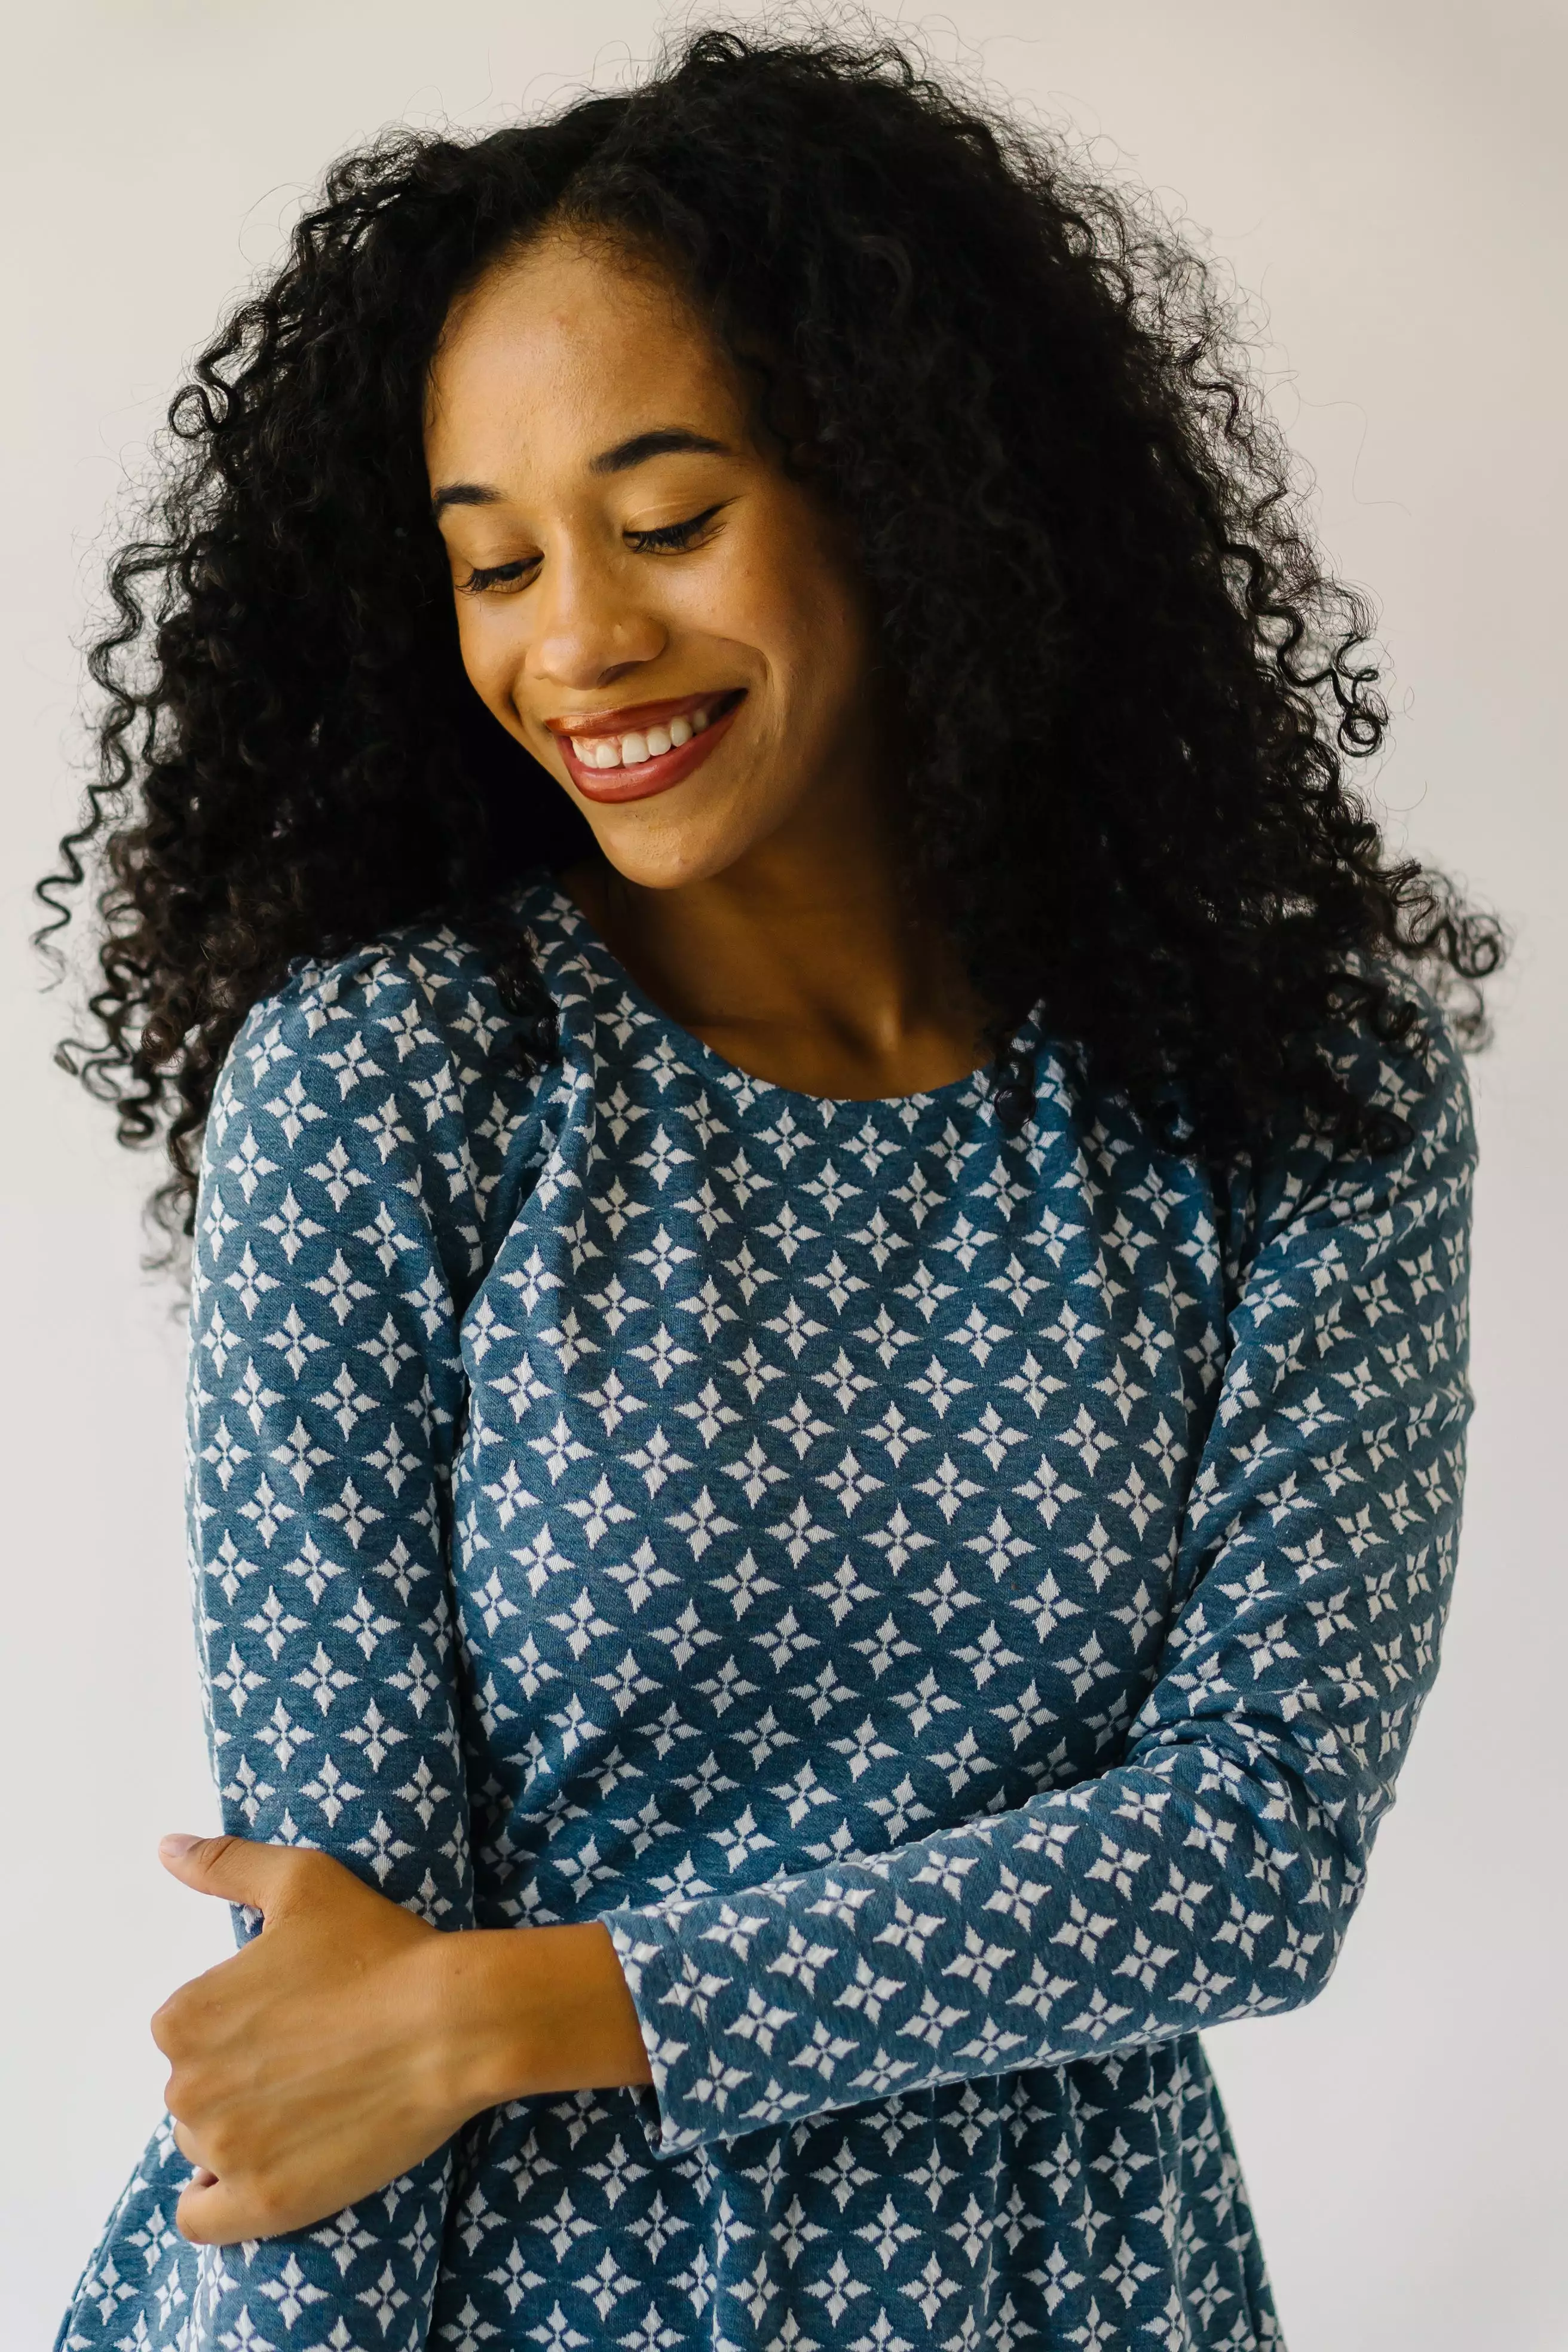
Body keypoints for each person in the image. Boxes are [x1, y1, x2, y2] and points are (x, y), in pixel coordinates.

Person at [47, 27, 1499, 2352]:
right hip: (503, 2301)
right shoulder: (394, 1090)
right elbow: (330, 2023)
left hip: (1065, 2295)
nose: (574, 642)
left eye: (664, 516)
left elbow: (1251, 1855)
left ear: (905, 492)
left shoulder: (1289, 1102)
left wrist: (513, 2012)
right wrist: (421, 2039)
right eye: (491, 562)